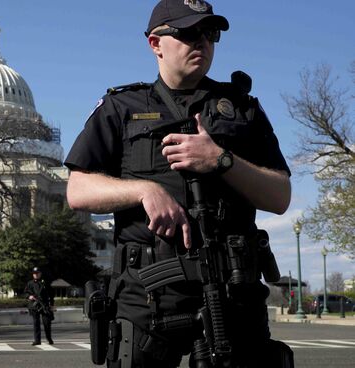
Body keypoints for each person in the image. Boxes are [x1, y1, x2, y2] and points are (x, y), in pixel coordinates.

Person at [65, 1, 293, 367]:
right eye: (188, 33)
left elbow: (280, 195)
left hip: (233, 292)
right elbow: (77, 190)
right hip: (148, 296)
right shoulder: (121, 107)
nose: (201, 42)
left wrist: (220, 160)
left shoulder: (241, 108)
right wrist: (143, 190)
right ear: (155, 43)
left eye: (210, 33)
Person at [24, 267, 54, 346]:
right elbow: (25, 293)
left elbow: (51, 294)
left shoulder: (45, 283)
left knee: (47, 323)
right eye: (34, 273)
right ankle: (37, 340)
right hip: (34, 306)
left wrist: (52, 304)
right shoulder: (30, 283)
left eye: (37, 273)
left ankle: (49, 338)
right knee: (36, 323)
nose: (36, 275)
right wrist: (29, 296)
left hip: (44, 305)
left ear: (40, 274)